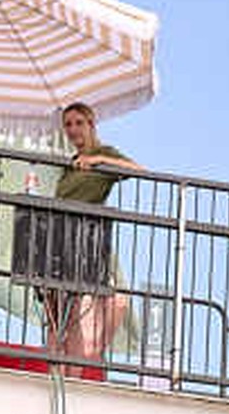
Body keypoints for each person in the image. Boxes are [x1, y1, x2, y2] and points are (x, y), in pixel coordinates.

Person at [12, 99, 140, 370]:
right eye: (68, 125)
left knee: (76, 315)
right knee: (57, 317)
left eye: (78, 123)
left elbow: (138, 171)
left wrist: (99, 161)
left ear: (91, 124)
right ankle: (56, 374)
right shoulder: (71, 163)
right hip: (57, 241)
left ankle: (73, 377)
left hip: (81, 245)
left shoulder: (103, 154)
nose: (72, 130)